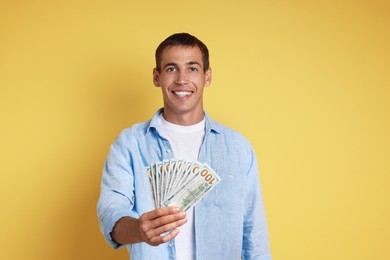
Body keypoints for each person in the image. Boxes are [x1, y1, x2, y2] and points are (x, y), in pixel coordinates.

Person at [97, 32, 271, 260]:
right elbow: (111, 213)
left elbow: (254, 238)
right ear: (156, 77)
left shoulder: (238, 148)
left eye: (192, 68)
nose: (181, 79)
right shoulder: (129, 143)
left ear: (207, 76)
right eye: (171, 68)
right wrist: (139, 229)